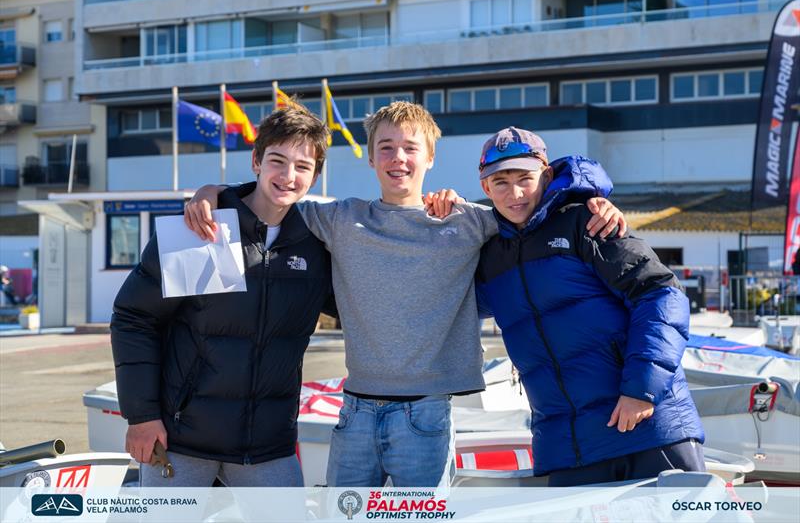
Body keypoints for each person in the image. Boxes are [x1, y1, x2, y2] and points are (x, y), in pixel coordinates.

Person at [185, 102, 625, 488]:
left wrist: (593, 198)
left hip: (427, 416)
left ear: (431, 158)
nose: (399, 158)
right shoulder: (339, 219)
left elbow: (536, 207)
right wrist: (214, 192)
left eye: (411, 148)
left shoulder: (468, 221)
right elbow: (275, 197)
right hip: (354, 410)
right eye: (387, 148)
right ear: (372, 160)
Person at [110, 105, 335, 486]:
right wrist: (141, 416)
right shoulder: (204, 227)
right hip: (182, 443)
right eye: (277, 161)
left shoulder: (317, 245)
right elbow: (136, 318)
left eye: (302, 166)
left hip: (268, 448)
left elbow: (362, 306)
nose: (288, 176)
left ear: (314, 176)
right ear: (256, 161)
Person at [472, 127, 705, 486]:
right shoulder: (490, 256)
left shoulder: (588, 222)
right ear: (485, 187)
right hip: (567, 447)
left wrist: (641, 389)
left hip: (646, 428)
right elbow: (451, 304)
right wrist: (438, 220)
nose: (514, 193)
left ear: (546, 175)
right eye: (500, 182)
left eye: (525, 178)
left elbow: (661, 294)